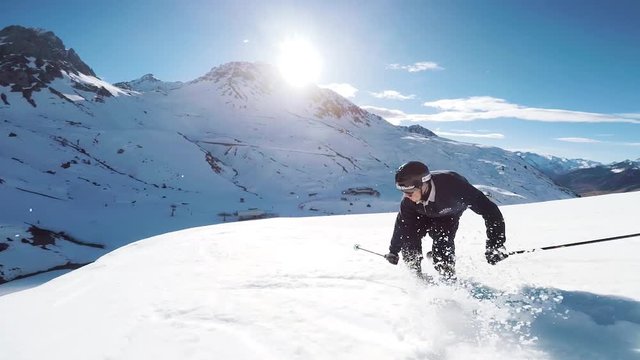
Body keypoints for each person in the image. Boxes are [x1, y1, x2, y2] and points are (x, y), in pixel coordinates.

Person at [384, 161, 509, 279]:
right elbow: (402, 225)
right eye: (403, 191)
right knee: (409, 239)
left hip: (448, 216)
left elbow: (490, 211)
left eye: (410, 192)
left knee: (442, 243)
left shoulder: (455, 186)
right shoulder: (408, 201)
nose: (406, 196)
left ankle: (447, 278)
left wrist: (495, 245)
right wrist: (393, 251)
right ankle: (417, 277)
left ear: (424, 185)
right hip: (421, 215)